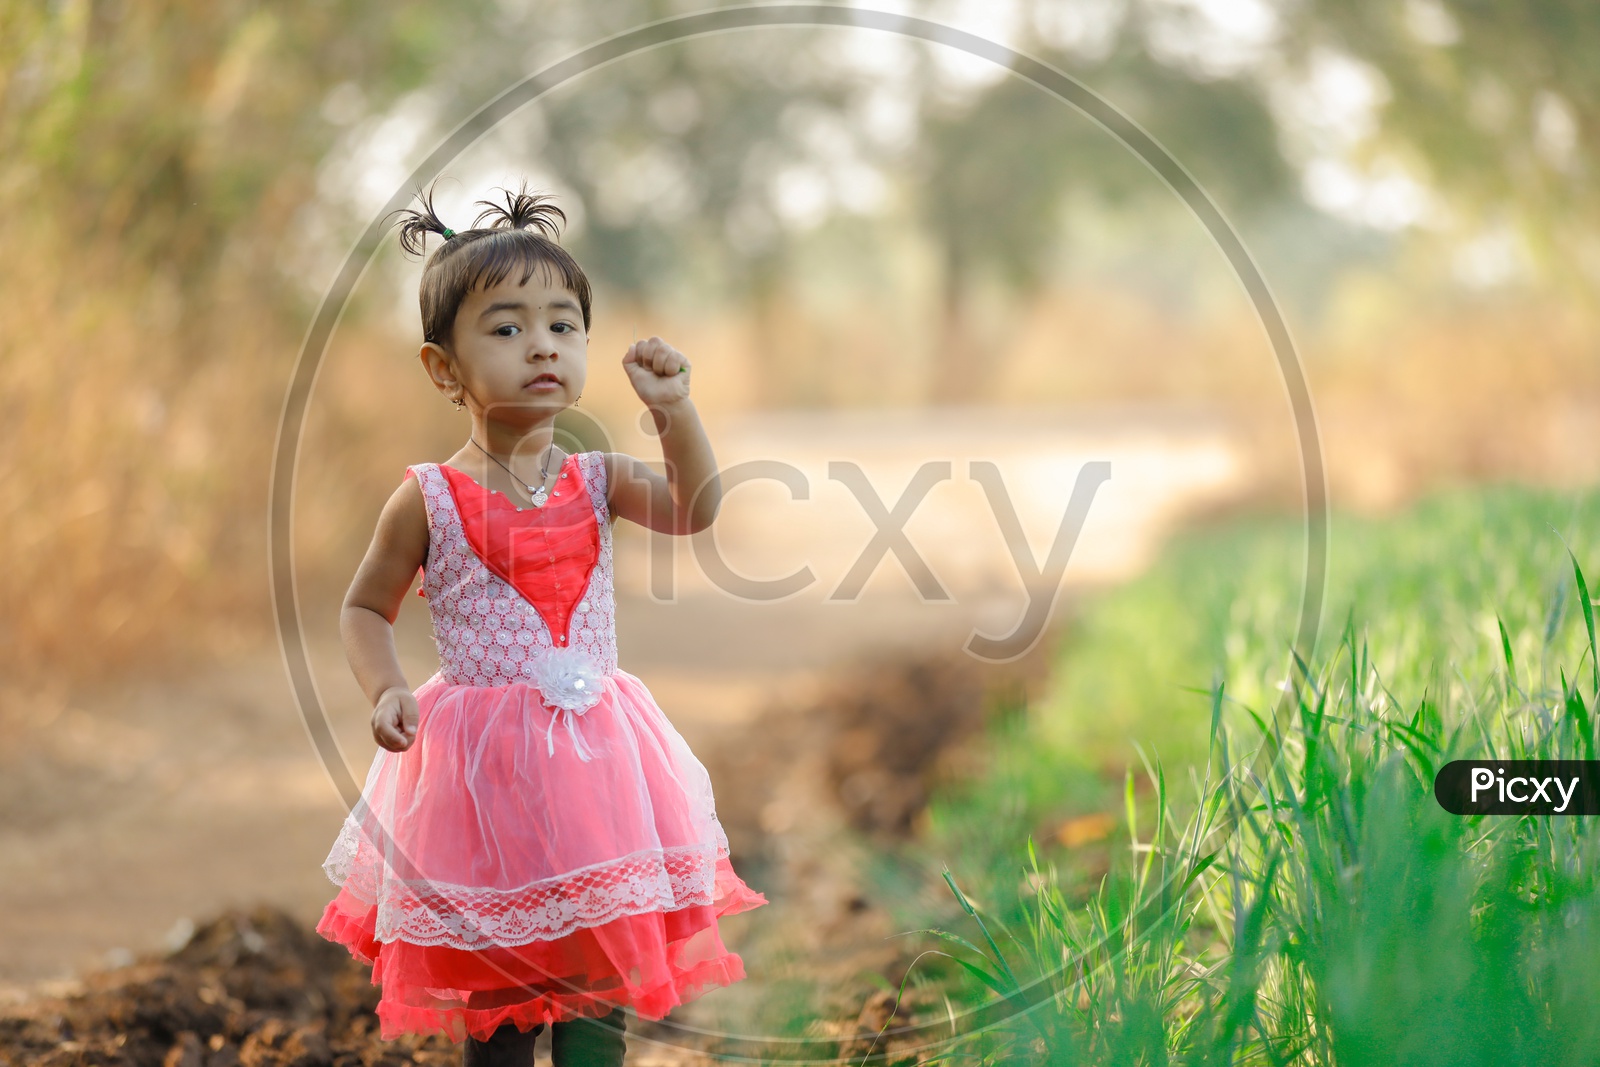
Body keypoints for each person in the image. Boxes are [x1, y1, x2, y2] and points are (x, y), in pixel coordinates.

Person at [314, 178, 768, 1064]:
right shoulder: (428, 499)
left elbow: (697, 506)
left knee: (598, 980)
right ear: (444, 368)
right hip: (479, 784)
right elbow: (365, 605)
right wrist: (387, 688)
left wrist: (674, 410)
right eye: (507, 327)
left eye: (563, 325)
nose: (542, 346)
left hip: (597, 771)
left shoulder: (599, 478)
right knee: (503, 996)